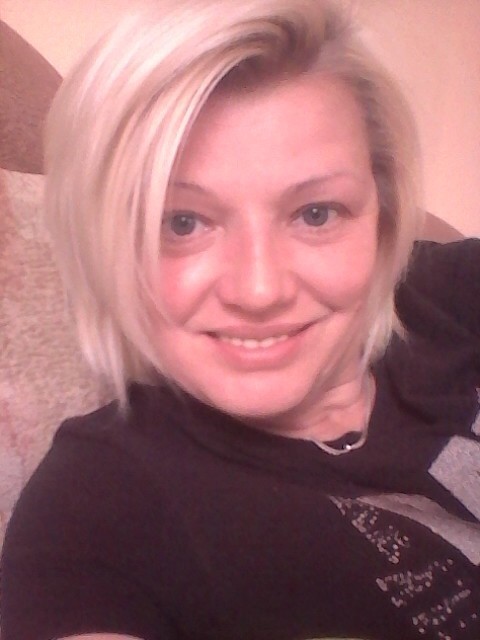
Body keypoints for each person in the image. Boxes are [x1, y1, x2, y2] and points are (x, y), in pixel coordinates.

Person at [1, 0, 479, 639]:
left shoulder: (450, 293)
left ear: (382, 217)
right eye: (181, 223)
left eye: (316, 213)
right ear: (103, 244)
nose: (259, 289)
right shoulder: (96, 508)